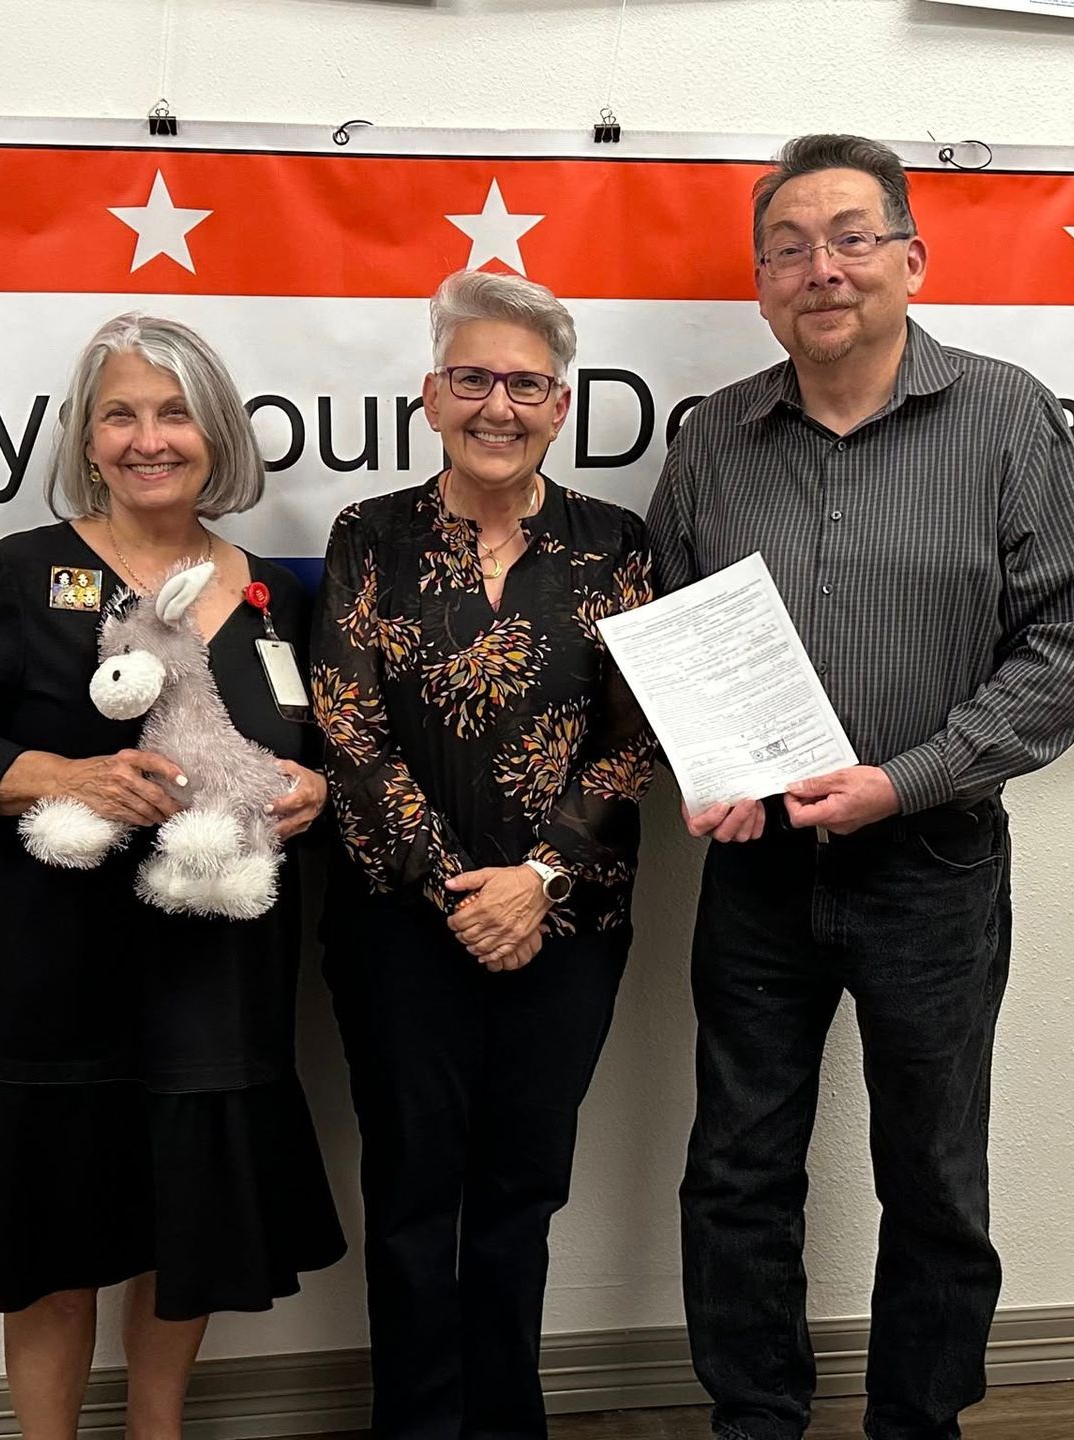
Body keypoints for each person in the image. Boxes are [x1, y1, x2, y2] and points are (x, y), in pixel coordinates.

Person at [647, 135, 1074, 1440]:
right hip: (757, 867)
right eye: (790, 246)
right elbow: (675, 637)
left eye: (853, 237)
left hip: (936, 862)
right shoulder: (713, 445)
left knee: (932, 1172)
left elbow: (1069, 636)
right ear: (759, 284)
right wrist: (713, 765)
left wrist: (903, 782)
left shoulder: (1008, 416)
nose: (823, 268)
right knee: (737, 1168)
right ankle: (756, 1421)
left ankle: (919, 1424)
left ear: (912, 258)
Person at [0, 313, 345, 1440]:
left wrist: (315, 793)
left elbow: (320, 751)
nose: (151, 437)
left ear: (218, 432)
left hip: (217, 974)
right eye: (122, 413)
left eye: (175, 411)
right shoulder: (21, 572)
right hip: (51, 973)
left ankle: (159, 1433)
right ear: (87, 439)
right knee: (51, 1244)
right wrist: (63, 776)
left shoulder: (277, 596)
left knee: (183, 1235)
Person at [313, 269, 656, 1440]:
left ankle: (508, 1425)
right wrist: (457, 891)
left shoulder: (617, 545)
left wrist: (539, 881)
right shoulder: (370, 536)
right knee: (411, 1197)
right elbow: (347, 730)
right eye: (473, 379)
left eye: (524, 384)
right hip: (398, 923)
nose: (496, 405)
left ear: (562, 406)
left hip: (568, 927)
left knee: (520, 1195)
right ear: (430, 394)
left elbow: (635, 737)